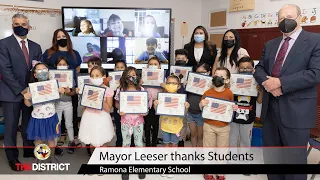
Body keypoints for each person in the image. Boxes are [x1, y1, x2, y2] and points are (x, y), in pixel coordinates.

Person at [253, 4, 320, 180]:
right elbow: (259, 68)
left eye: (289, 17)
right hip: (270, 112)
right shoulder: (270, 44)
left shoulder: (315, 40)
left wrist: (280, 83)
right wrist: (269, 84)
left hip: (297, 113)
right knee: (273, 160)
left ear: (300, 17)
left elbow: (315, 73)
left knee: (293, 163)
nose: (285, 21)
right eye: (281, 19)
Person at [0, 14, 42, 171]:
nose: (20, 26)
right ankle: (12, 157)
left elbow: (38, 71)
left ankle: (28, 149)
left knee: (27, 123)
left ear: (28, 26)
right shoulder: (3, 44)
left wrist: (35, 89)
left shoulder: (36, 46)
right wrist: (22, 90)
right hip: (11, 93)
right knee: (11, 127)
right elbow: (5, 70)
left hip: (32, 94)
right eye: (16, 24)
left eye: (23, 24)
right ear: (12, 26)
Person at [42, 28, 82, 156]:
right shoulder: (49, 53)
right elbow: (44, 71)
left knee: (72, 118)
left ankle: (72, 141)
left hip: (71, 92)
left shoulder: (74, 53)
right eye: (58, 37)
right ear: (55, 39)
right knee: (56, 120)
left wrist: (70, 84)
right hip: (54, 93)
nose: (61, 39)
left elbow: (77, 71)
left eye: (63, 36)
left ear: (67, 37)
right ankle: (55, 144)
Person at [199, 67, 238, 180]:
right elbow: (201, 106)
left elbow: (230, 108)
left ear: (227, 80)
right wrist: (202, 104)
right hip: (209, 125)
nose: (217, 77)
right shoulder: (207, 92)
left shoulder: (229, 93)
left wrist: (234, 108)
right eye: (215, 75)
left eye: (221, 76)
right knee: (208, 149)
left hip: (224, 126)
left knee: (222, 149)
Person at [24, 63, 65, 163]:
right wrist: (26, 98)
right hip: (37, 118)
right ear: (35, 74)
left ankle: (52, 156)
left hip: (51, 117)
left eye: (44, 69)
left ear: (48, 71)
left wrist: (61, 92)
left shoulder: (53, 86)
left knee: (51, 139)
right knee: (38, 140)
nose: (42, 72)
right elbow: (28, 105)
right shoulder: (31, 88)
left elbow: (58, 99)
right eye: (39, 70)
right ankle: (40, 157)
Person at [154, 74, 190, 179]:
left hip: (176, 128)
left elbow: (184, 113)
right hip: (165, 126)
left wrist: (186, 107)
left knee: (174, 146)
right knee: (166, 146)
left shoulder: (181, 99)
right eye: (169, 83)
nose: (171, 85)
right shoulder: (161, 97)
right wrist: (155, 104)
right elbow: (157, 109)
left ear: (179, 86)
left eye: (174, 83)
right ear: (165, 84)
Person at [114, 66, 146, 180]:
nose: (131, 77)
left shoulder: (141, 90)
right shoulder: (120, 90)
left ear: (137, 76)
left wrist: (144, 111)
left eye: (133, 75)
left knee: (139, 143)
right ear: (124, 77)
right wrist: (119, 110)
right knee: (126, 143)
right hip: (125, 121)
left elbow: (144, 105)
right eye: (128, 75)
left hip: (138, 121)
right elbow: (117, 103)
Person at [78, 66, 114, 150]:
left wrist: (100, 98)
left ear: (103, 76)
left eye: (97, 76)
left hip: (102, 118)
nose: (94, 78)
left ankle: (102, 159)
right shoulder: (88, 89)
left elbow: (109, 108)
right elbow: (84, 106)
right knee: (92, 141)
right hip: (89, 116)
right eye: (92, 76)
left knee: (102, 141)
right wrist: (83, 117)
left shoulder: (108, 90)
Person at [229, 56, 262, 148]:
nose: (245, 70)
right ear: (238, 69)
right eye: (242, 68)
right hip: (233, 116)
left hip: (249, 117)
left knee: (245, 140)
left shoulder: (256, 82)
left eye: (248, 68)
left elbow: (259, 101)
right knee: (232, 139)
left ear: (253, 69)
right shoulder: (233, 81)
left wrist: (260, 92)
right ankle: (232, 160)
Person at [54, 56, 77, 154]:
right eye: (60, 64)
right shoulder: (52, 77)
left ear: (67, 66)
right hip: (56, 104)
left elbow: (73, 93)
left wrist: (68, 92)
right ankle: (54, 146)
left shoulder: (70, 77)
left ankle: (71, 142)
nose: (62, 66)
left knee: (69, 124)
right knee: (56, 124)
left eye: (64, 64)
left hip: (68, 103)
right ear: (56, 66)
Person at [187, 63, 211, 147]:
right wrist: (186, 85)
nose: (200, 74)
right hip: (190, 112)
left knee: (201, 136)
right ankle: (194, 153)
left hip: (201, 113)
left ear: (208, 72)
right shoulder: (191, 82)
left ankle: (199, 155)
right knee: (193, 134)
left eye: (202, 72)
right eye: (198, 72)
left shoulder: (210, 86)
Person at [144, 57, 163, 147]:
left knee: (155, 124)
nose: (153, 66)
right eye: (151, 64)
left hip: (156, 104)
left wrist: (164, 85)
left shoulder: (163, 77)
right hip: (146, 104)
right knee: (147, 125)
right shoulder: (144, 76)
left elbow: (166, 92)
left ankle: (154, 142)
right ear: (147, 66)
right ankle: (147, 142)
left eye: (155, 64)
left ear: (159, 66)